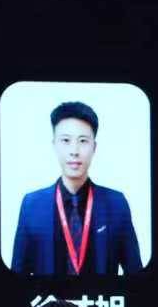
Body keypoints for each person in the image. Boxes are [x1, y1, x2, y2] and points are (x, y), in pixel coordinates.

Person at [10, 100, 145, 276]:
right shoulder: (32, 205)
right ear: (54, 145)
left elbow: (135, 273)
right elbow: (17, 275)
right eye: (66, 140)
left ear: (94, 147)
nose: (74, 150)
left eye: (83, 141)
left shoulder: (116, 204)